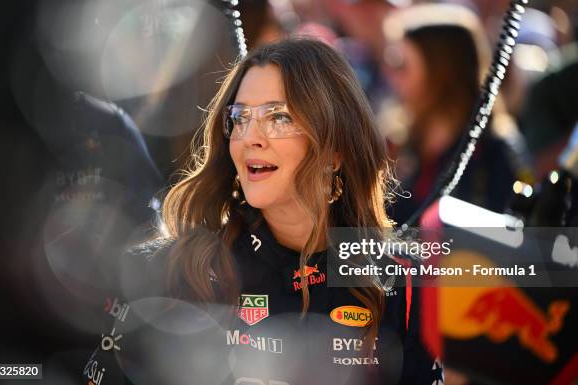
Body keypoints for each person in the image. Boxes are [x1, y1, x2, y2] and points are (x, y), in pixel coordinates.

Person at [82, 38, 441, 385]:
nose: (250, 136)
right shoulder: (169, 272)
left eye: (278, 117)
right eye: (240, 118)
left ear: (336, 150)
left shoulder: (402, 279)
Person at [382, 4, 532, 224]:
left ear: (441, 73)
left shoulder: (496, 154)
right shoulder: (397, 144)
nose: (390, 76)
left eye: (401, 65)